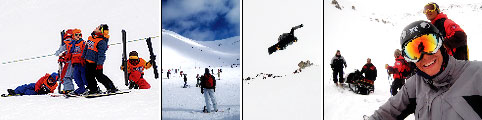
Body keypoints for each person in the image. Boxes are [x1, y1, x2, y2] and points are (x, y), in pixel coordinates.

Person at [369, 20, 482, 120]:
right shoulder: (414, 85)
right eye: (413, 53)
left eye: (430, 45)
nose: (425, 56)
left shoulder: (477, 74)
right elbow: (385, 113)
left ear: (441, 44)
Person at [82, 24, 117, 94]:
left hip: (96, 62)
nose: (95, 28)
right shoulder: (90, 38)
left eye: (98, 28)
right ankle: (93, 89)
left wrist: (100, 64)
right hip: (88, 61)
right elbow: (86, 48)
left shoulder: (101, 42)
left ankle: (111, 87)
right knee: (89, 76)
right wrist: (83, 57)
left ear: (101, 31)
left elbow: (101, 55)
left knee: (99, 76)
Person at [55, 29, 75, 94]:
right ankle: (68, 88)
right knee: (72, 76)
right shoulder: (75, 42)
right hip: (75, 61)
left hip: (68, 62)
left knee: (66, 76)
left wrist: (57, 53)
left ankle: (69, 89)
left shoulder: (66, 42)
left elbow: (60, 51)